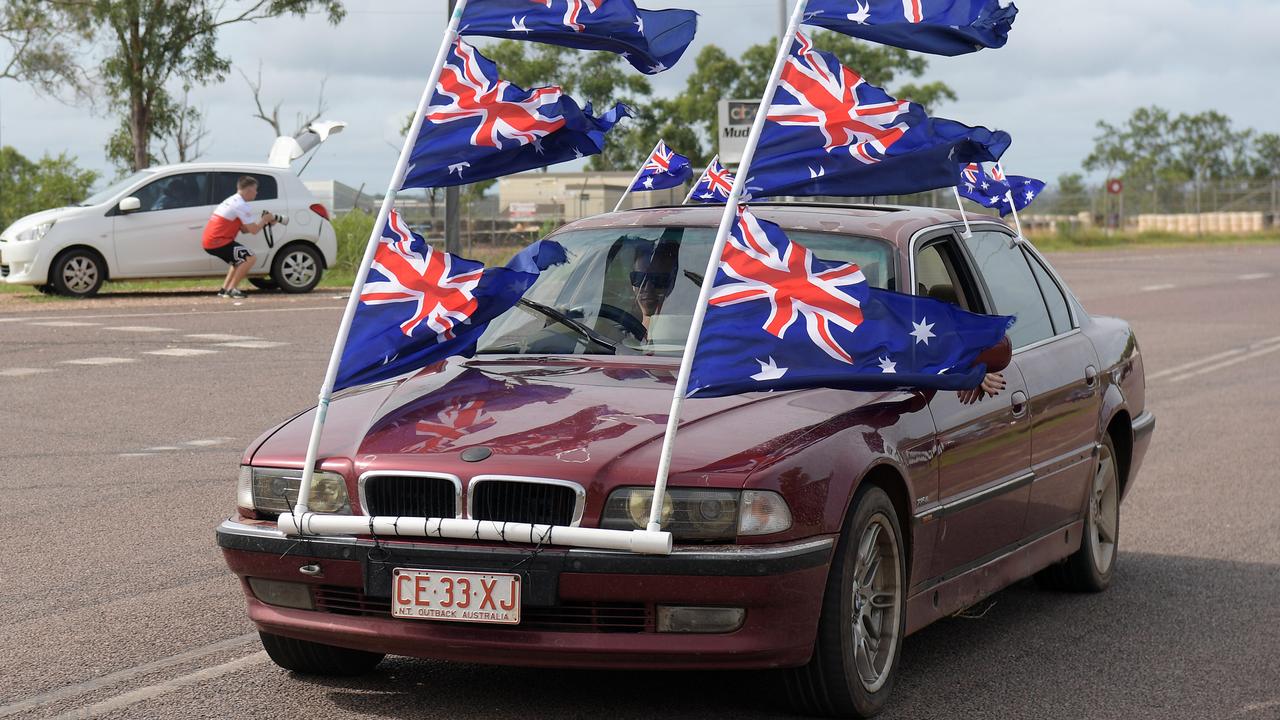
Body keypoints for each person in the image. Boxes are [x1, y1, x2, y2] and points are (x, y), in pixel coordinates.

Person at [202, 176, 275, 299]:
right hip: (218, 242)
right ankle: (232, 289)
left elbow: (245, 229)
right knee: (250, 257)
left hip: (212, 241)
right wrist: (264, 219)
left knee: (238, 261)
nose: (256, 193)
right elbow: (254, 231)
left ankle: (224, 290)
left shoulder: (232, 200)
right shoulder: (241, 205)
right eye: (255, 190)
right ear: (248, 190)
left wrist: (264, 222)